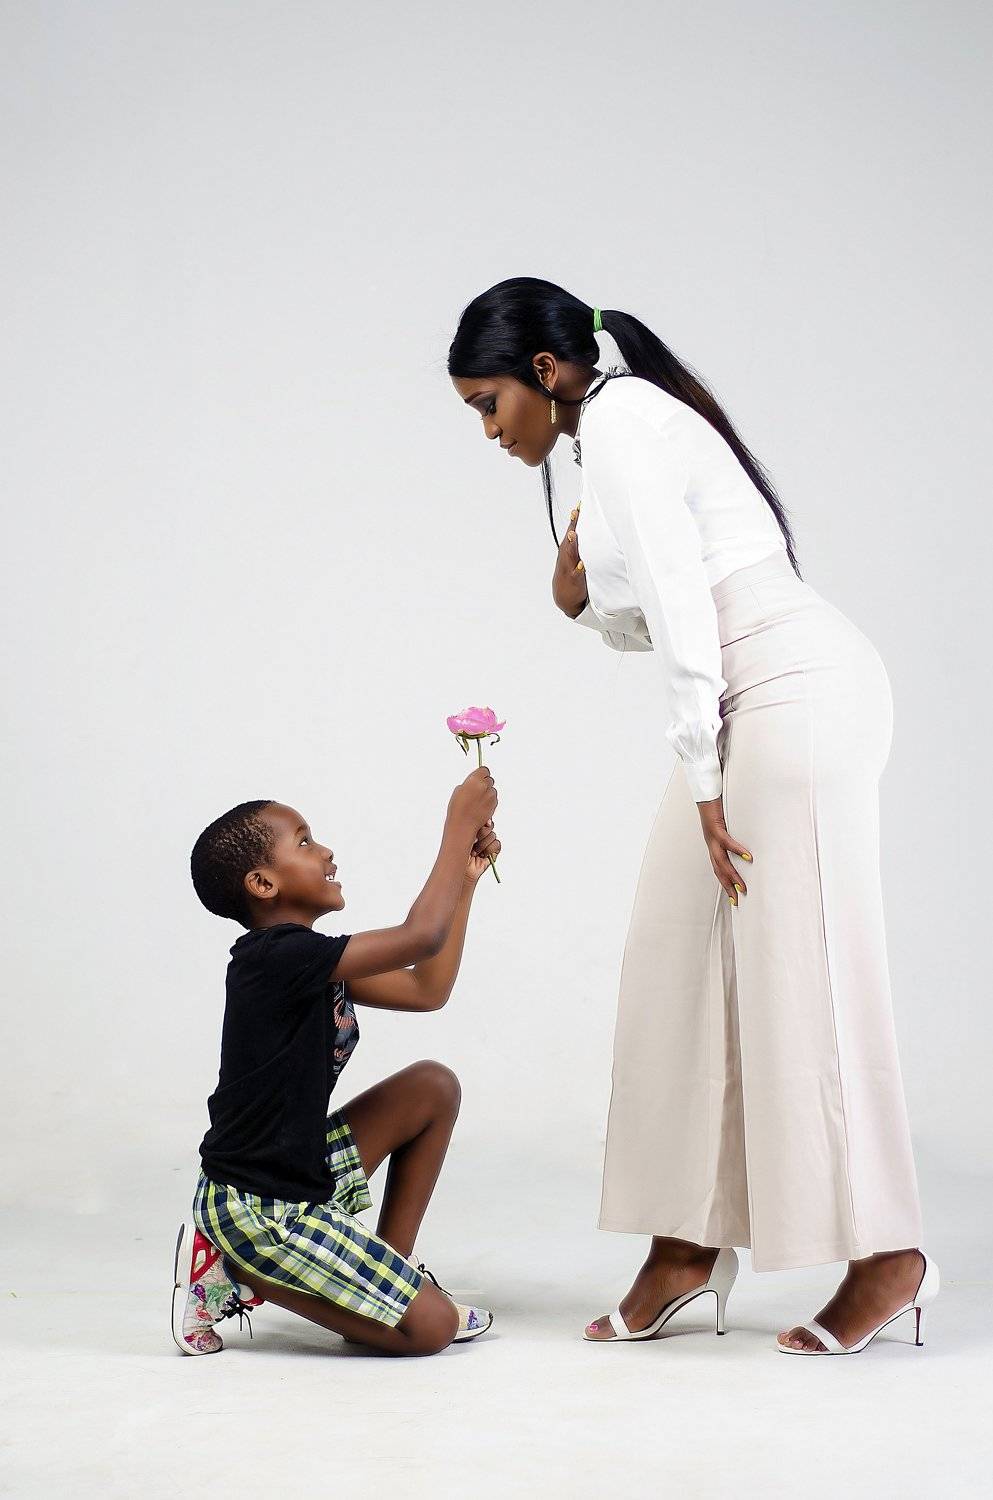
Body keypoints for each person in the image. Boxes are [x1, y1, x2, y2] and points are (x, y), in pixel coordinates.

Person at [449, 277, 938, 1356]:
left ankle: (890, 1256)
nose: (488, 431)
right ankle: (684, 1246)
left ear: (543, 372)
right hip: (744, 700)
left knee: (804, 964)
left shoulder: (624, 420)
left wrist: (705, 786)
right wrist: (580, 605)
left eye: (489, 404)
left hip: (796, 692)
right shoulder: (606, 440)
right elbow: (669, 608)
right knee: (674, 958)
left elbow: (684, 608)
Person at [172, 767, 501, 1356]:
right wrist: (458, 825)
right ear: (263, 883)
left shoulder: (312, 962)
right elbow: (420, 935)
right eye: (304, 842)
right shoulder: (273, 959)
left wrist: (466, 882)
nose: (325, 851)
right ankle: (231, 1272)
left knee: (431, 1086)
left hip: (301, 1171)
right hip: (257, 1207)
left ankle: (393, 1266)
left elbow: (426, 989)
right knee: (432, 1331)